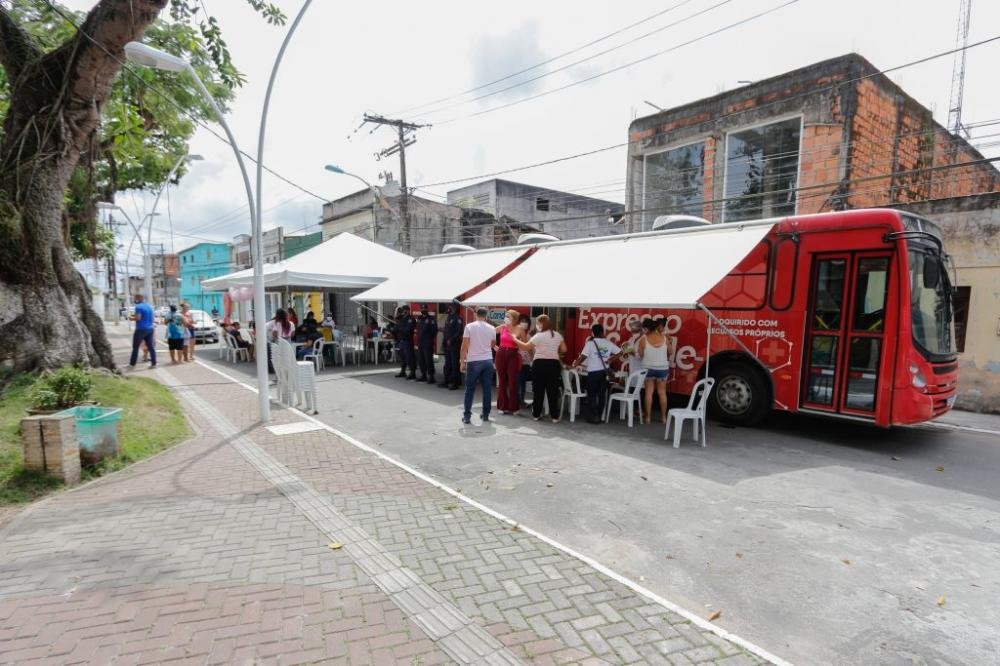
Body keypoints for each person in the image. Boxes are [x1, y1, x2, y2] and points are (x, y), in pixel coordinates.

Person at [514, 314, 566, 422]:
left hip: (539, 364)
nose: (536, 325)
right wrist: (553, 350)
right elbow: (564, 349)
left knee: (538, 391)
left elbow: (525, 347)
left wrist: (515, 339)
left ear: (541, 324)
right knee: (553, 391)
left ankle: (536, 415)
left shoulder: (538, 336)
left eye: (537, 323)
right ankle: (555, 417)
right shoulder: (557, 335)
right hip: (554, 364)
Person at [572, 323, 622, 424]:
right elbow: (621, 352)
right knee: (602, 395)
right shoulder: (608, 343)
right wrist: (611, 359)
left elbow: (583, 357)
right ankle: (599, 415)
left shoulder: (590, 343)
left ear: (593, 333)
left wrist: (574, 364)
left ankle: (593, 417)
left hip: (593, 373)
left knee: (592, 395)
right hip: (604, 372)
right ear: (603, 332)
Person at [460, 307, 496, 424]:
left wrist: (462, 361)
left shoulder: (469, 326)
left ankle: (467, 416)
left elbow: (464, 346)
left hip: (473, 360)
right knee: (487, 389)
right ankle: (485, 415)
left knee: (470, 389)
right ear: (486, 315)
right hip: (488, 360)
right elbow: (492, 344)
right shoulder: (492, 328)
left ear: (476, 314)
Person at [638, 318, 671, 424]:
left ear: (647, 328)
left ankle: (647, 418)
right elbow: (670, 352)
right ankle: (663, 418)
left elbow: (640, 354)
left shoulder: (643, 338)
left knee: (649, 392)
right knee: (662, 393)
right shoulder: (665, 337)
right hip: (662, 368)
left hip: (648, 369)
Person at [493, 309, 523, 415]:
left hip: (513, 354)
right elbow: (490, 332)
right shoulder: (502, 327)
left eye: (508, 316)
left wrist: (515, 340)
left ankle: (514, 407)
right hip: (501, 353)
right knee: (502, 381)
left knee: (512, 382)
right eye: (505, 316)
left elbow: (524, 344)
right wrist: (494, 346)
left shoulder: (519, 328)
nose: (506, 318)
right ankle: (502, 406)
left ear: (514, 319)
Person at [438, 305, 464, 390]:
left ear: (454, 308)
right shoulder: (448, 317)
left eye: (450, 308)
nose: (448, 309)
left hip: (454, 345)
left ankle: (455, 383)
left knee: (454, 364)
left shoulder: (458, 318)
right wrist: (443, 330)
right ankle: (447, 381)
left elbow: (459, 331)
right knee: (447, 364)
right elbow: (448, 329)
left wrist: (452, 339)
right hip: (447, 344)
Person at [128, 294, 157, 369]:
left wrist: (131, 318)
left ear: (138, 298)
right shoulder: (149, 306)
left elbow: (138, 318)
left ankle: (132, 364)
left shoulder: (138, 307)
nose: (134, 300)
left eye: (135, 298)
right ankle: (154, 363)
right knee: (151, 347)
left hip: (141, 329)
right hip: (150, 328)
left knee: (135, 347)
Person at [416, 305, 438, 383]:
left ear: (427, 309)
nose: (423, 309)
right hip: (420, 343)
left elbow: (434, 330)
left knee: (428, 360)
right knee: (421, 360)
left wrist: (429, 338)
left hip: (427, 343)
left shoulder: (431, 319)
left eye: (424, 308)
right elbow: (418, 329)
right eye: (422, 308)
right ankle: (424, 375)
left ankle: (431, 377)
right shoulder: (419, 318)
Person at [515, 313, 533, 408]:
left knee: (522, 382)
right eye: (522, 321)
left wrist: (532, 360)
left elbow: (530, 349)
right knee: (517, 382)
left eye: (526, 322)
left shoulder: (529, 335)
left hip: (526, 362)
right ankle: (516, 401)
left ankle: (521, 400)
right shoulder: (516, 333)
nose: (524, 323)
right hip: (516, 361)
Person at [395, 306, 417, 380]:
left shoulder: (411, 319)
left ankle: (412, 372)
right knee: (403, 357)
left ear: (408, 310)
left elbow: (408, 329)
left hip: (408, 341)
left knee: (409, 357)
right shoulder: (401, 318)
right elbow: (396, 328)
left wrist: (401, 328)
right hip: (401, 340)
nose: (404, 311)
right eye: (403, 310)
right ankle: (403, 371)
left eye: (405, 310)